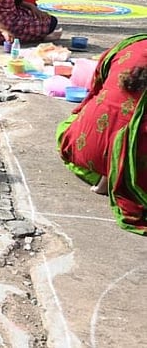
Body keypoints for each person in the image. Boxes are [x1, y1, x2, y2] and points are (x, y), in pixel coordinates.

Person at [56, 34, 147, 235]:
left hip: (87, 147)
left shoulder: (130, 45)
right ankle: (116, 173)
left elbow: (94, 90)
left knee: (69, 125)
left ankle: (107, 173)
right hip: (134, 167)